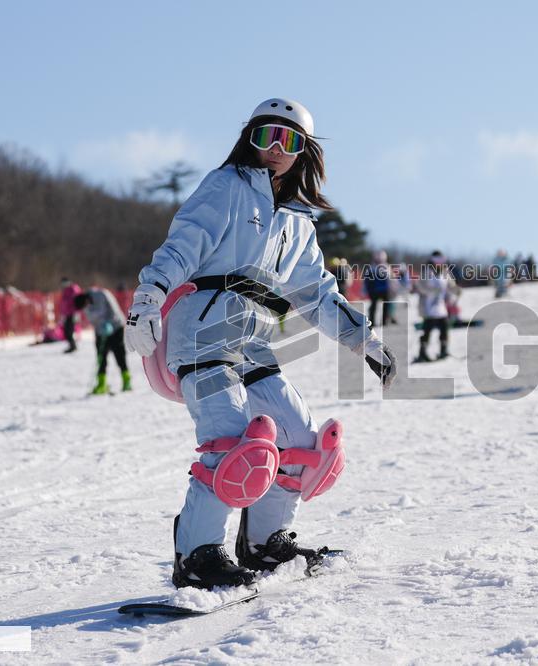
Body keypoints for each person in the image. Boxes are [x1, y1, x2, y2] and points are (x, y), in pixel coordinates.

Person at [123, 98, 396, 590]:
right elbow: (184, 244)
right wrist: (149, 296)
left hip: (254, 341)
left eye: (287, 140)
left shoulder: (297, 221)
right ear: (248, 138)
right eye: (264, 135)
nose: (273, 148)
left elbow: (316, 294)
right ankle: (198, 555)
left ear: (303, 152)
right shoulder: (226, 186)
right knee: (231, 440)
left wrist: (366, 341)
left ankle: (267, 544)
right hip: (201, 329)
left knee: (300, 439)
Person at [73, 287, 131, 394]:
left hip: (115, 327)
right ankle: (101, 384)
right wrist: (100, 328)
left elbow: (114, 310)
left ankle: (126, 380)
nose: (85, 308)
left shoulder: (102, 294)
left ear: (85, 300)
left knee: (119, 355)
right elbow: (92, 319)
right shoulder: (86, 306)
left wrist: (110, 324)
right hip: (101, 331)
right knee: (101, 357)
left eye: (84, 306)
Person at [414, 251, 455, 362]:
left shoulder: (445, 272)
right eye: (437, 260)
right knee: (427, 329)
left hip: (441, 305)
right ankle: (422, 352)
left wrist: (454, 292)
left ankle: (443, 350)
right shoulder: (427, 271)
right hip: (428, 305)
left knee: (444, 327)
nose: (439, 263)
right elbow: (419, 286)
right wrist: (430, 291)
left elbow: (451, 285)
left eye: (441, 260)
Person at [364, 250, 395, 326]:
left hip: (385, 290)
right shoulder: (371, 267)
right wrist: (366, 289)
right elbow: (367, 280)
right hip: (374, 291)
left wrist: (392, 289)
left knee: (385, 306)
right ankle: (372, 321)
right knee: (373, 306)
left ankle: (384, 321)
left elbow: (392, 279)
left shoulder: (387, 267)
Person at [59, 277, 81, 353]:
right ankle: (72, 345)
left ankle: (73, 346)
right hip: (67, 314)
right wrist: (62, 314)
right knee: (66, 331)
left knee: (69, 331)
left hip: (72, 314)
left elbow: (76, 301)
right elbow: (64, 302)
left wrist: (77, 313)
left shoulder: (74, 289)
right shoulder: (66, 290)